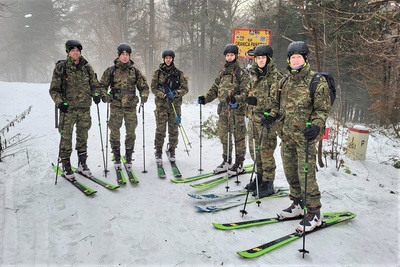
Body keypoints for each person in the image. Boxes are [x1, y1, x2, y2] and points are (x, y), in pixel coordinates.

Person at [277, 41, 331, 232]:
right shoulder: (284, 81)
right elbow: (279, 107)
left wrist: (317, 126)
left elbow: (322, 109)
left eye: (299, 57)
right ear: (289, 60)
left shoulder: (316, 81)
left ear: (305, 58)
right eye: (293, 57)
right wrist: (271, 118)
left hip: (306, 138)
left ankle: (314, 211)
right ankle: (298, 203)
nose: (296, 60)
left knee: (306, 174)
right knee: (290, 172)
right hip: (287, 137)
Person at [49, 39, 102, 180]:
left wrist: (97, 94)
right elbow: (54, 90)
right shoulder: (62, 67)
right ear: (68, 52)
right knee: (66, 137)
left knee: (82, 136)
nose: (75, 52)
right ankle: (66, 165)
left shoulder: (86, 67)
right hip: (68, 109)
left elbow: (95, 84)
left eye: (77, 50)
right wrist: (60, 103)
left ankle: (82, 164)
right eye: (72, 50)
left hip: (84, 108)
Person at [198, 44, 250, 176]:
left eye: (232, 55)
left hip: (236, 111)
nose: (229, 57)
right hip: (223, 111)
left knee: (238, 138)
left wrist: (235, 99)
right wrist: (205, 98)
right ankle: (227, 160)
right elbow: (214, 90)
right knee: (224, 136)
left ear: (236, 56)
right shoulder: (222, 74)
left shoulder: (241, 73)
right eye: (227, 55)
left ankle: (239, 163)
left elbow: (246, 92)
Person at [100, 43, 149, 170]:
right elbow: (102, 86)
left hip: (131, 106)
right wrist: (104, 95)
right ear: (119, 55)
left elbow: (144, 87)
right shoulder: (111, 71)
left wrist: (144, 94)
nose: (125, 56)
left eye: (127, 54)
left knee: (131, 132)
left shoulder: (135, 72)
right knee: (114, 132)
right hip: (116, 106)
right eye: (123, 54)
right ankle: (116, 156)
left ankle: (128, 157)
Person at [245, 44, 283, 198]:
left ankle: (268, 182)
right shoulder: (253, 75)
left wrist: (260, 104)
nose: (260, 61)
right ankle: (259, 177)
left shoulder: (276, 77)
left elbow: (278, 102)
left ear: (269, 59)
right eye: (258, 58)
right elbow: (248, 92)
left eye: (263, 58)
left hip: (267, 120)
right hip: (253, 120)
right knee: (255, 152)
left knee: (266, 152)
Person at [151, 50, 188, 163]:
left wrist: (175, 93)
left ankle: (172, 150)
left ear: (173, 59)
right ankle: (158, 151)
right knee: (160, 130)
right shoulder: (157, 73)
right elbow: (153, 88)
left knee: (173, 130)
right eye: (166, 58)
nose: (168, 60)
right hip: (161, 106)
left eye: (170, 58)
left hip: (174, 106)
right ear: (163, 59)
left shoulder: (179, 73)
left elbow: (185, 89)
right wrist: (162, 94)